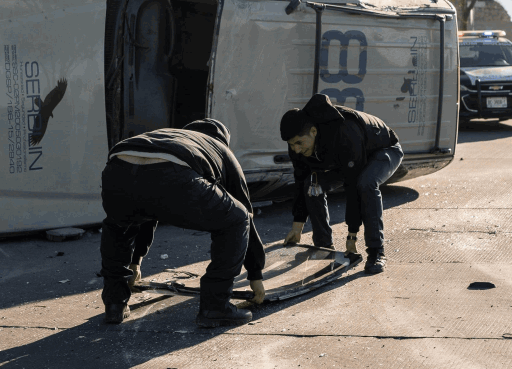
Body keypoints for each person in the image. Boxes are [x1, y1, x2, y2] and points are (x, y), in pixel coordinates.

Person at [99, 119, 265, 328]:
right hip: (173, 172)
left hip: (118, 167)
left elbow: (147, 208)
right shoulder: (221, 149)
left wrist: (135, 262)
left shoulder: (168, 135)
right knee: (237, 219)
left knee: (118, 225)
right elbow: (246, 215)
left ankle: (115, 304)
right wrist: (255, 275)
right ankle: (215, 306)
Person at [278, 94, 403, 274]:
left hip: (383, 150)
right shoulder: (298, 146)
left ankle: (376, 252)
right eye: (291, 145)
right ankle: (324, 248)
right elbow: (300, 183)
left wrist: (351, 236)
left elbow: (352, 187)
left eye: (299, 143)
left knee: (365, 184)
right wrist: (297, 227)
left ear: (314, 131)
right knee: (310, 185)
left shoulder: (343, 133)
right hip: (349, 160)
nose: (296, 149)